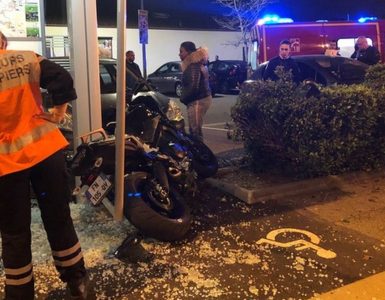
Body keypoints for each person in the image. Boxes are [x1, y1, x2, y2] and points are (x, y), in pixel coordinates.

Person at [0, 31, 90, 299]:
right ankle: (78, 283)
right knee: (58, 217)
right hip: (45, 153)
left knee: (14, 232)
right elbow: (61, 79)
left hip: (6, 164)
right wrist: (58, 114)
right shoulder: (27, 58)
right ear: (3, 42)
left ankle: (20, 293)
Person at [179, 41, 212, 141]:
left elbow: (193, 86)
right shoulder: (195, 63)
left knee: (195, 130)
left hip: (197, 100)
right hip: (200, 98)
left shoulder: (193, 64)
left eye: (181, 51)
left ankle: (200, 154)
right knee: (195, 129)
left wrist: (184, 99)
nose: (179, 54)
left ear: (188, 52)